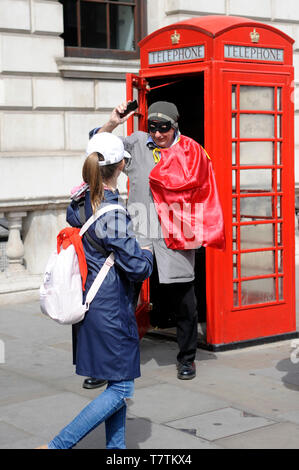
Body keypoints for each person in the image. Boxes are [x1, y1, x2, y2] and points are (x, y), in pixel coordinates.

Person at [88, 100, 225, 381]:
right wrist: (114, 121)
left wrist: (203, 227)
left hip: (176, 228)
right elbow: (98, 147)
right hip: (141, 227)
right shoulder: (138, 143)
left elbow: (206, 190)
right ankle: (111, 363)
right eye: (153, 127)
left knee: (184, 301)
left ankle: (187, 358)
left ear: (175, 126)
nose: (159, 134)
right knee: (124, 299)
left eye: (165, 128)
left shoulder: (191, 150)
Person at [38, 132, 153, 449]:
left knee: (116, 382)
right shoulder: (112, 214)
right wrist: (147, 252)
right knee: (121, 389)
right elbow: (138, 267)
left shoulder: (80, 201)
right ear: (122, 166)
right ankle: (58, 445)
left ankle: (116, 451)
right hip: (111, 310)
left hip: (89, 301)